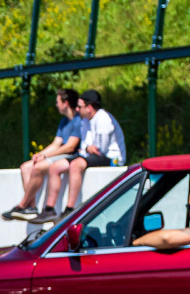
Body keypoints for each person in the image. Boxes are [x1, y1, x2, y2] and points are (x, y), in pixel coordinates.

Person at [34, 89, 127, 225]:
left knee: (76, 165)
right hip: (92, 154)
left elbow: (100, 149)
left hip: (113, 158)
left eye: (80, 106)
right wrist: (88, 148)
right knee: (56, 166)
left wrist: (88, 148)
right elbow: (85, 147)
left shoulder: (103, 118)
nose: (77, 109)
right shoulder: (85, 120)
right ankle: (49, 209)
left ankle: (70, 209)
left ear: (89, 108)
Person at [2, 89, 85, 221]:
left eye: (58, 102)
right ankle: (31, 206)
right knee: (26, 167)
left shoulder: (78, 121)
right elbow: (56, 143)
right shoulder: (64, 121)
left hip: (71, 156)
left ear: (66, 103)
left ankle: (22, 205)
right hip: (61, 154)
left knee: (39, 167)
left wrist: (45, 157)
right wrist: (40, 154)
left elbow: (70, 147)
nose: (56, 105)